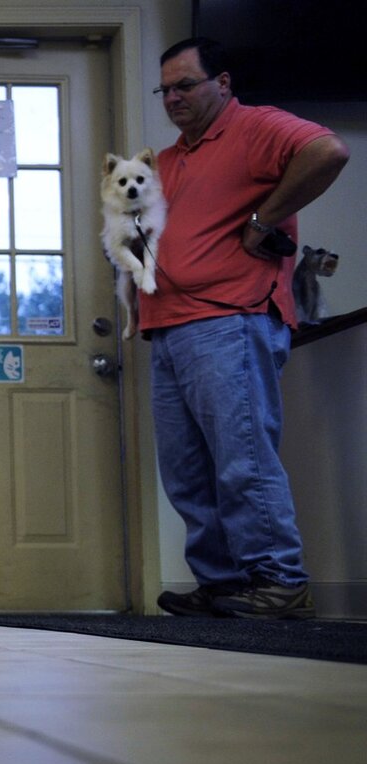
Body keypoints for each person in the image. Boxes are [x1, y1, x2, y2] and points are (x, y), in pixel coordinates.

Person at [146, 39, 349, 619]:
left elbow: (327, 151)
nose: (174, 97)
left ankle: (280, 580)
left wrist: (262, 220)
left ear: (224, 83)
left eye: (186, 84)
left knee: (243, 459)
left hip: (228, 320)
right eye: (166, 89)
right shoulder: (166, 159)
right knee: (186, 471)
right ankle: (224, 582)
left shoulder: (255, 128)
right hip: (167, 326)